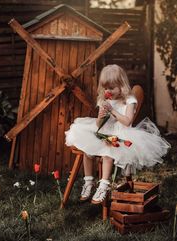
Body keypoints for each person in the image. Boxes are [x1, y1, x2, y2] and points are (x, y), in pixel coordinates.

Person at [65, 64, 170, 204]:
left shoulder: (129, 100)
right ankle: (88, 182)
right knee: (87, 151)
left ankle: (103, 185)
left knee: (108, 152)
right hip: (105, 130)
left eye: (111, 88)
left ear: (122, 85)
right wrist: (101, 116)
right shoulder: (105, 99)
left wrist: (113, 111)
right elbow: (99, 125)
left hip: (122, 133)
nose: (108, 91)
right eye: (106, 88)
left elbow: (127, 122)